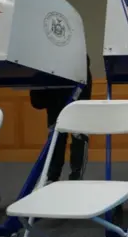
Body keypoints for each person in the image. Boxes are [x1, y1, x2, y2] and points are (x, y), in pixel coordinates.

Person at [30, 54, 93, 183]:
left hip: (76, 94)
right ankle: (52, 177)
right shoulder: (44, 58)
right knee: (55, 138)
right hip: (54, 96)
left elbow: (83, 68)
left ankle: (76, 178)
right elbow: (37, 102)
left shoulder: (79, 57)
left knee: (78, 137)